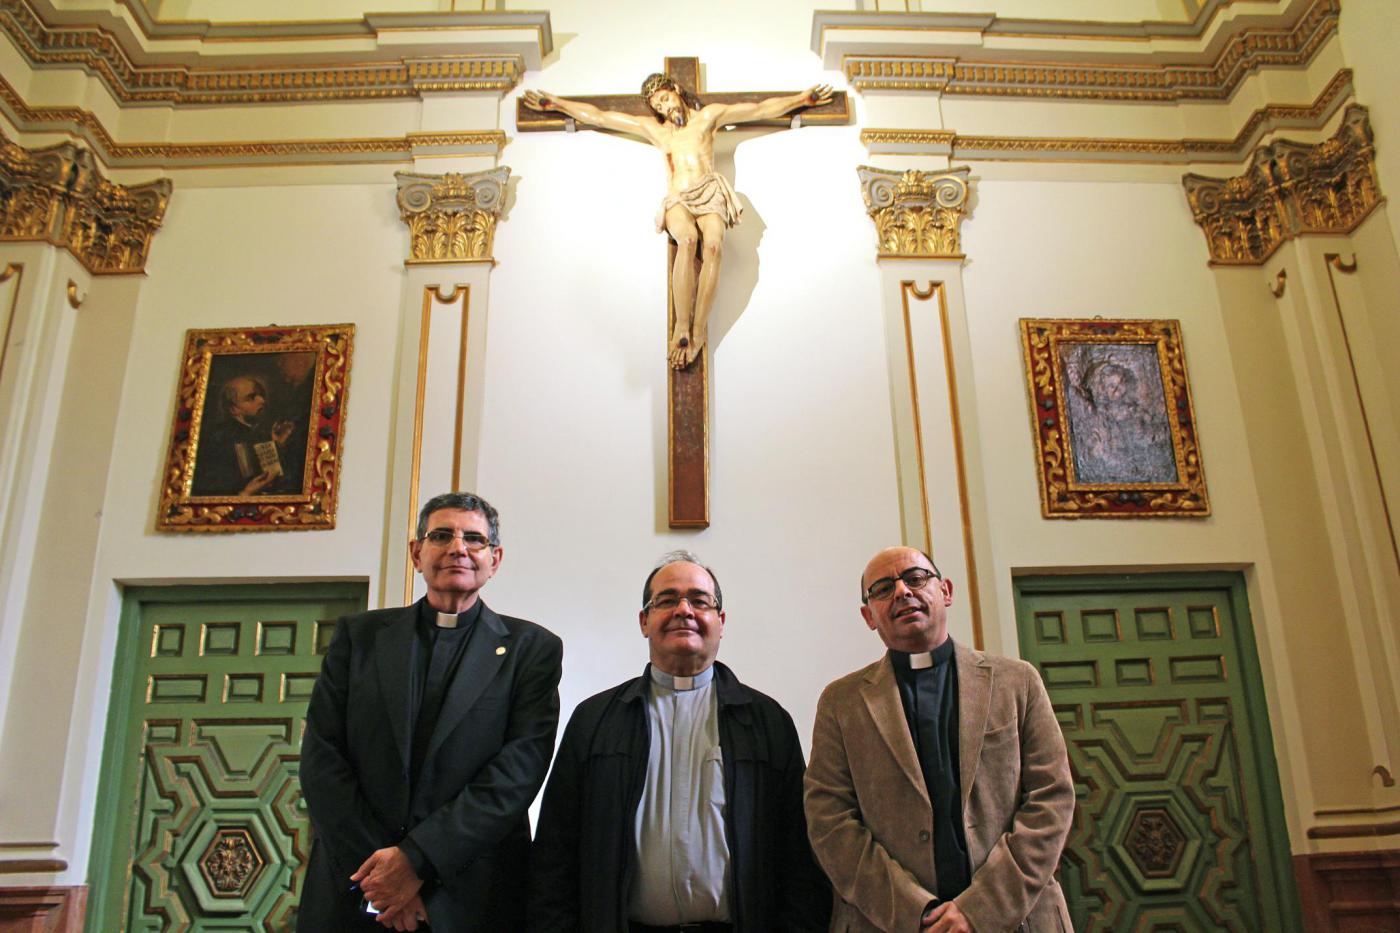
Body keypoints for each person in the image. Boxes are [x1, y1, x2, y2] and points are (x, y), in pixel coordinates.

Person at [298, 492, 563, 932]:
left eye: (474, 539)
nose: (458, 547)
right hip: (356, 889)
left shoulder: (531, 650)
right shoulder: (358, 637)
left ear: (494, 559)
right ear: (416, 553)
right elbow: (322, 759)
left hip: (472, 893)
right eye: (441, 535)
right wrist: (383, 879)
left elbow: (517, 773)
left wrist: (417, 861)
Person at [529, 550, 830, 932]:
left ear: (720, 622)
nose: (683, 610)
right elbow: (554, 852)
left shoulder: (767, 722)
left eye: (699, 601)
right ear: (644, 620)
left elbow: (801, 857)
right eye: (667, 600)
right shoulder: (595, 720)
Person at [804, 547, 1074, 933]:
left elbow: (1052, 798)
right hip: (888, 922)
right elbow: (829, 820)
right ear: (868, 616)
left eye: (915, 578)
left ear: (945, 591)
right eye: (882, 589)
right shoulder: (841, 702)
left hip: (1018, 916)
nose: (901, 592)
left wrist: (980, 908)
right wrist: (917, 911)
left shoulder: (1017, 681)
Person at [522, 74, 832, 369]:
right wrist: (557, 104)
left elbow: (760, 109)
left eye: (665, 98)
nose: (664, 107)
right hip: (679, 197)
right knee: (687, 240)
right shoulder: (657, 131)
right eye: (657, 105)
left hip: (709, 190)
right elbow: (600, 116)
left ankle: (697, 331)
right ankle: (681, 326)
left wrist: (802, 98)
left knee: (713, 246)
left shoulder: (708, 118)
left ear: (677, 91)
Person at [192, 373, 295, 496]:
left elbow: (277, 481)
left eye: (261, 395)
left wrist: (278, 445)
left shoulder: (262, 432)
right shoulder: (217, 439)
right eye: (251, 397)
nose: (262, 400)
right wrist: (246, 493)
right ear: (233, 409)